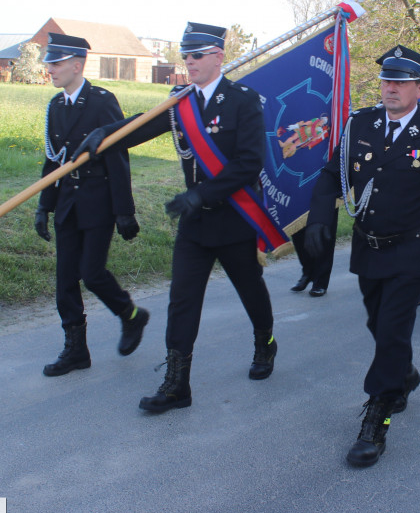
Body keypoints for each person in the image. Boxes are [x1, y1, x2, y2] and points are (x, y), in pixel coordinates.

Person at [74, 22, 277, 413]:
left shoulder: (242, 100)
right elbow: (142, 125)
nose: (189, 61)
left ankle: (265, 343)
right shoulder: (179, 101)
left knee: (250, 289)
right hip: (195, 225)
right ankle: (176, 383)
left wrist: (202, 193)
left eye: (197, 54)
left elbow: (250, 163)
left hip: (233, 218)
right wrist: (104, 134)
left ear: (218, 56)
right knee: (182, 301)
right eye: (186, 55)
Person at [306, 44, 420, 468]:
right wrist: (317, 217)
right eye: (386, 79)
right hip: (370, 247)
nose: (391, 88)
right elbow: (333, 174)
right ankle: (403, 374)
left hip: (414, 250)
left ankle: (375, 420)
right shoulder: (359, 125)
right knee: (377, 322)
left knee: (392, 329)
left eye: (401, 82)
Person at [34, 33, 148, 377]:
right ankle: (76, 350)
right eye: (48, 64)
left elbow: (117, 154)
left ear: (77, 64)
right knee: (65, 279)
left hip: (98, 201)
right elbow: (54, 160)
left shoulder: (101, 101)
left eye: (55, 63)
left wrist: (123, 210)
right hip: (68, 202)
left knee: (92, 273)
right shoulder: (55, 106)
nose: (49, 70)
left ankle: (130, 315)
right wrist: (45, 205)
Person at [289, 211, 337, 297]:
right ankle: (308, 272)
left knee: (323, 232)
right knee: (297, 229)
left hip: (324, 198)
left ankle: (321, 282)